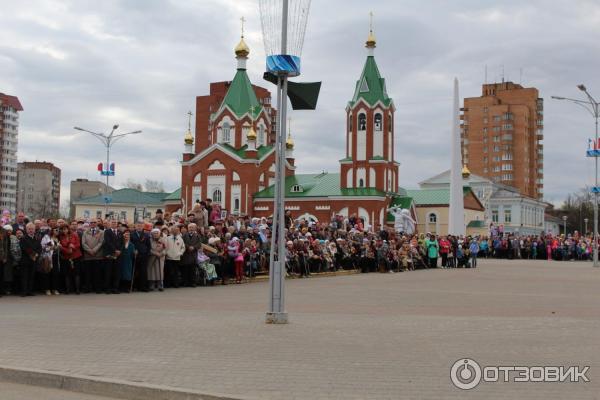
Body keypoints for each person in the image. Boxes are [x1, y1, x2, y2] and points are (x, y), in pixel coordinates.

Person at [19, 223, 41, 296]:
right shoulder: (23, 238)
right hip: (26, 260)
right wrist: (33, 255)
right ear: (26, 229)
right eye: (29, 229)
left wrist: (37, 254)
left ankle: (30, 291)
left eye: (32, 229)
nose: (31, 230)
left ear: (34, 230)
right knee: (25, 276)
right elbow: (24, 248)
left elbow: (39, 248)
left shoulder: (37, 238)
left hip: (34, 260)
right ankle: (24, 291)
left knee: (32, 276)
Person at [59, 225, 82, 295]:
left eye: (65, 229)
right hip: (67, 257)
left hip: (76, 256)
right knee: (67, 274)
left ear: (68, 229)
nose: (64, 231)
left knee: (76, 273)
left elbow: (78, 244)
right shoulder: (61, 237)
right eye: (63, 229)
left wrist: (73, 246)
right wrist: (65, 249)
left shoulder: (74, 235)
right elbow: (61, 247)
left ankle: (77, 290)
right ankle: (68, 290)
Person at [131, 223, 151, 292]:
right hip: (135, 255)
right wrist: (133, 251)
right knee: (135, 271)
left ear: (143, 227)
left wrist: (147, 253)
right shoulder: (132, 234)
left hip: (143, 255)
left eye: (140, 226)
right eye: (138, 226)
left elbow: (149, 245)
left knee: (143, 272)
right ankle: (134, 286)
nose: (139, 227)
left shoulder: (146, 235)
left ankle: (143, 287)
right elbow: (130, 244)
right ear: (135, 227)